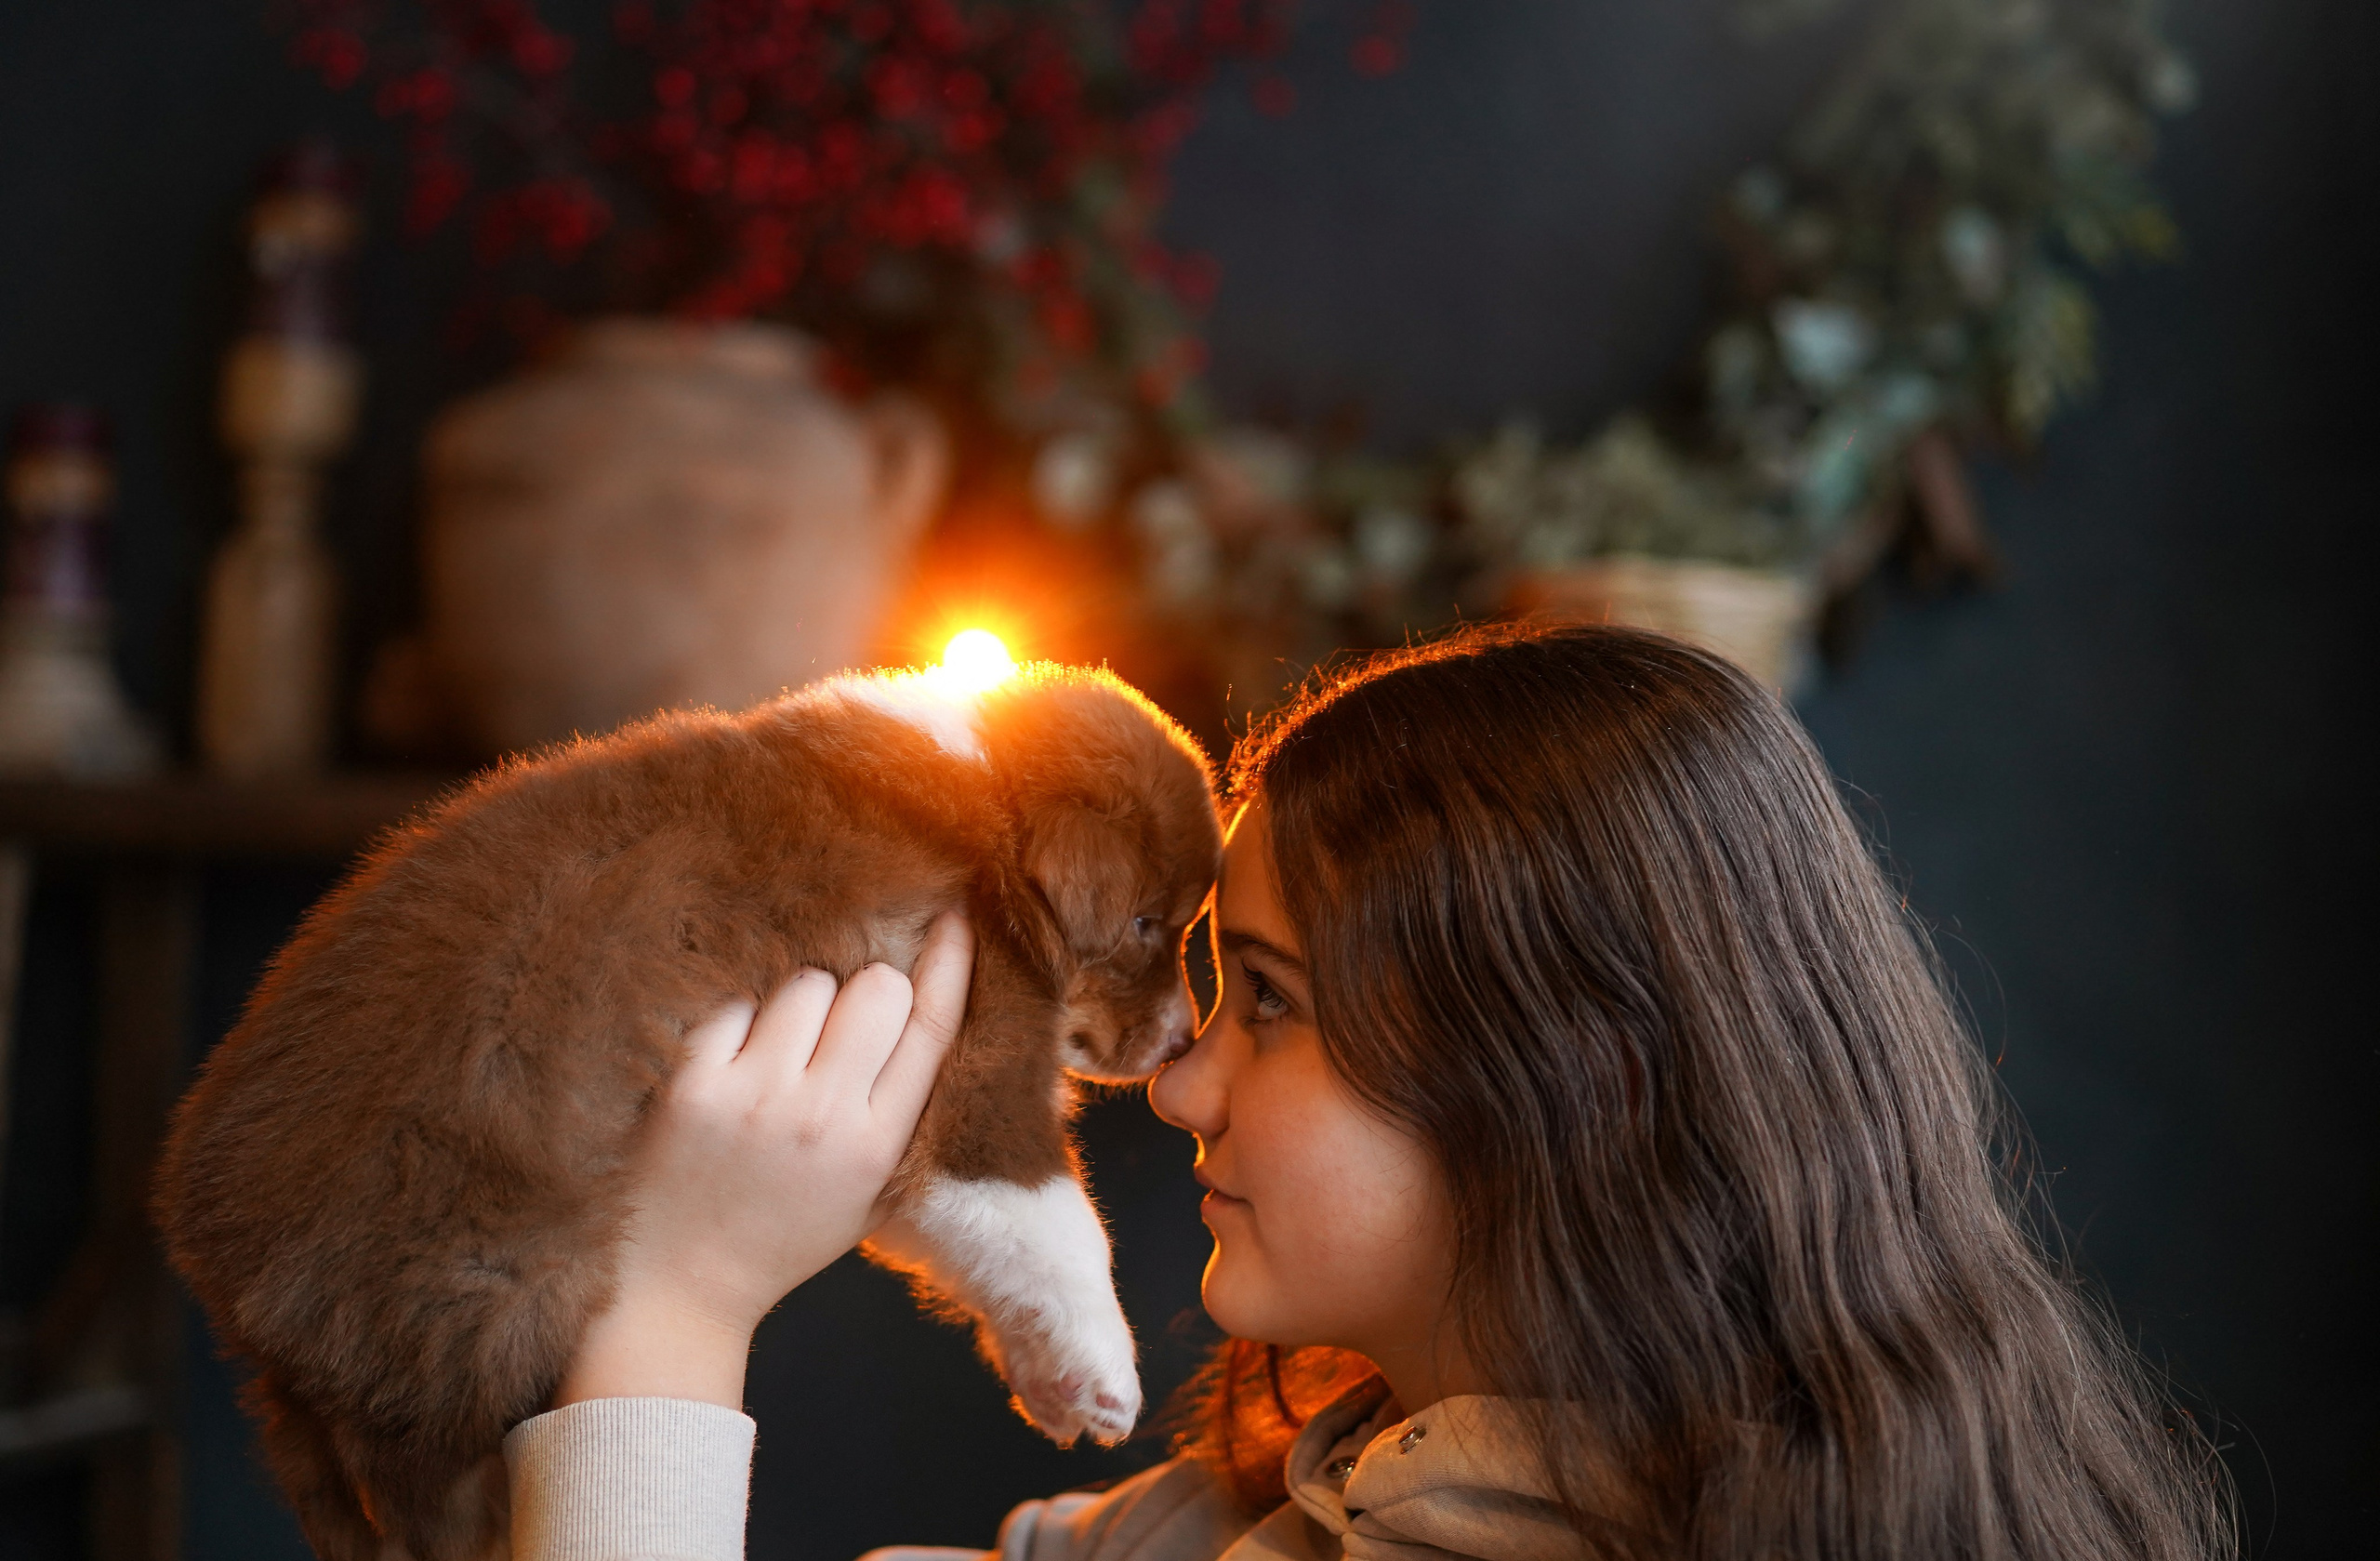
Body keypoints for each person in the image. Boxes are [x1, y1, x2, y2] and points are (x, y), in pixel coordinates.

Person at [506, 624, 2233, 1561]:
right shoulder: (1328, 1492)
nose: (1174, 1083)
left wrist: (671, 1308)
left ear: (1569, 1079)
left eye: (1267, 1001)